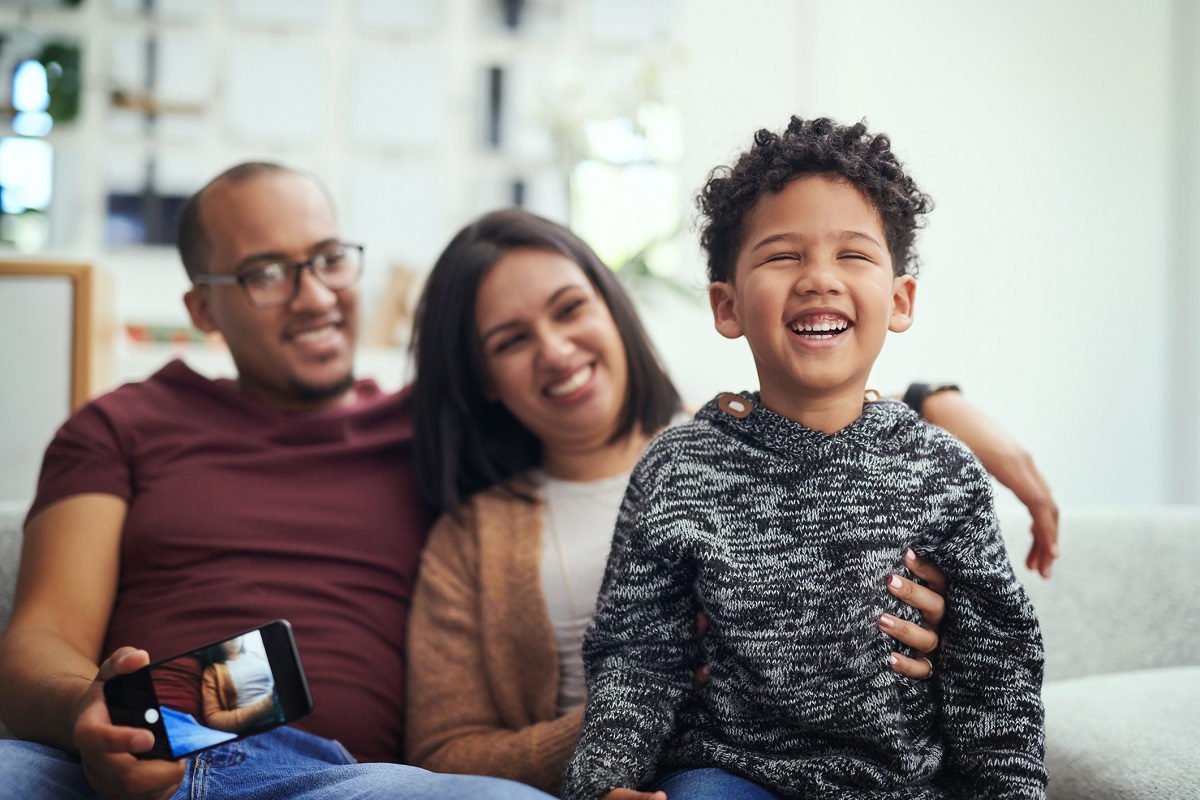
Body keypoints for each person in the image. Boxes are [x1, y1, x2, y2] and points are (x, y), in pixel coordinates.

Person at [404, 208, 1051, 796]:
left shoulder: (735, 441)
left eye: (570, 308)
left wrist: (933, 401)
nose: (554, 349)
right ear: (481, 376)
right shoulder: (475, 537)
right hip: (680, 768)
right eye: (511, 341)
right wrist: (640, 727)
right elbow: (447, 749)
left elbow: (825, 423)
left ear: (614, 308)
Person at [0, 162, 554, 800]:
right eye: (266, 273)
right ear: (203, 308)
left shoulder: (434, 429)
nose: (316, 296)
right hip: (116, 767)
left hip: (342, 780)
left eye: (330, 258)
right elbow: (41, 638)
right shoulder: (121, 424)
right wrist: (95, 716)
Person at [558, 117, 1047, 800]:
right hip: (728, 774)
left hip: (895, 786)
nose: (819, 277)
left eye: (853, 254)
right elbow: (638, 658)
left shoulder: (945, 472)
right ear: (726, 306)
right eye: (783, 255)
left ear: (900, 301)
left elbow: (995, 669)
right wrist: (605, 783)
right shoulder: (677, 470)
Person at [199, 636, 281, 734]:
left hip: (284, 715)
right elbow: (213, 719)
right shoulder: (212, 672)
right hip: (256, 731)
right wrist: (266, 706)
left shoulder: (260, 654)